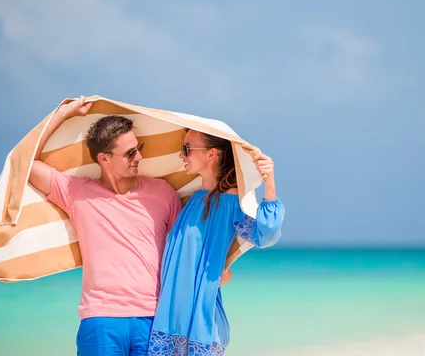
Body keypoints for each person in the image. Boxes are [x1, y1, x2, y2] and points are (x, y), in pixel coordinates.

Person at [29, 96, 183, 356]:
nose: (139, 156)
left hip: (153, 317)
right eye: (130, 153)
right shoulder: (76, 192)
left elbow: (184, 247)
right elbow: (27, 164)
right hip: (101, 318)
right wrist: (63, 114)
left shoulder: (163, 193)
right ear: (104, 158)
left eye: (139, 147)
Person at [147, 128, 285, 356]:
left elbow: (265, 235)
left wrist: (269, 184)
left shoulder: (231, 200)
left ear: (212, 154)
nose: (182, 155)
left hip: (199, 322)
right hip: (170, 321)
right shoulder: (194, 199)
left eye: (187, 149)